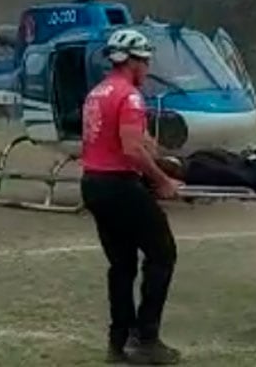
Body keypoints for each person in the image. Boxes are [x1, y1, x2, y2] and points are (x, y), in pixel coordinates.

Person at [80, 29, 183, 364]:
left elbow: (125, 140)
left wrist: (153, 152)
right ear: (133, 61)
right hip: (120, 185)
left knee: (121, 265)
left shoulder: (97, 92)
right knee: (162, 254)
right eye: (145, 60)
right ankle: (146, 338)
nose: (148, 67)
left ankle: (119, 341)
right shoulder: (130, 96)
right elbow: (132, 149)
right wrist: (163, 179)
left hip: (93, 183)